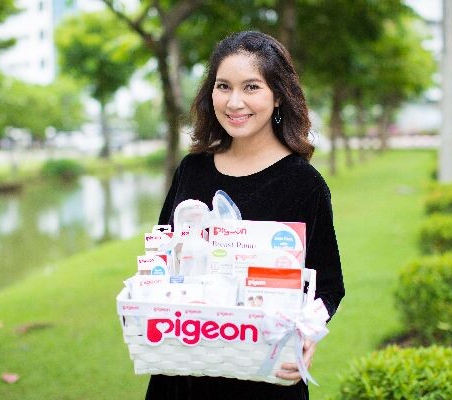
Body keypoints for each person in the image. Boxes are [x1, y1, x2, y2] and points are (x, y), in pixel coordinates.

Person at [146, 30, 345, 400]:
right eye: (223, 86)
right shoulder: (192, 170)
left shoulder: (304, 184)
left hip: (264, 372)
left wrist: (306, 334)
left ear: (279, 95)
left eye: (251, 87)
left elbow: (329, 286)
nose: (234, 102)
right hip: (183, 370)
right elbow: (161, 256)